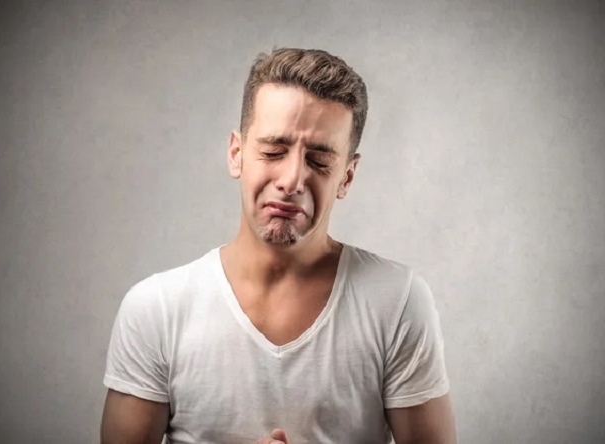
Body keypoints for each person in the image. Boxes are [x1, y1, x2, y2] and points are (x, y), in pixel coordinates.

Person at [100, 47, 457, 444]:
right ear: (236, 154)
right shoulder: (156, 310)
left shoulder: (398, 301)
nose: (291, 180)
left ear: (347, 177)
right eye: (273, 151)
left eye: (319, 161)